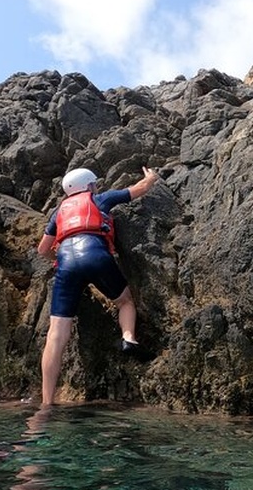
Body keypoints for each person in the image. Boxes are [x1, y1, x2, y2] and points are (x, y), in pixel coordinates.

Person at [36, 166, 160, 405]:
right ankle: (128, 338)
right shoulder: (99, 198)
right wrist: (151, 177)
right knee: (125, 301)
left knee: (56, 334)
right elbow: (139, 189)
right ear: (89, 186)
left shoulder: (58, 212)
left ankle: (46, 402)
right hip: (95, 253)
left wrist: (61, 260)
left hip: (66, 261)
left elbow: (42, 249)